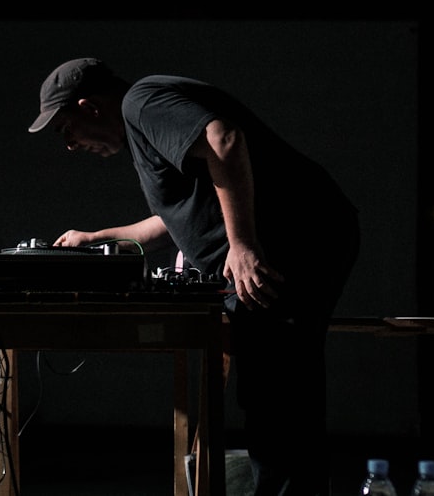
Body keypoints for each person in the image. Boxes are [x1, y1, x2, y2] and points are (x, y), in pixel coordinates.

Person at [27, 58, 360, 496]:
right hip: (303, 239)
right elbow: (178, 217)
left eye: (64, 128)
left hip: (295, 242)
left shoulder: (141, 102)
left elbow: (224, 140)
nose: (69, 144)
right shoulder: (144, 122)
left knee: (278, 397)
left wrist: (241, 246)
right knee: (279, 394)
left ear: (89, 108)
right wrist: (98, 238)